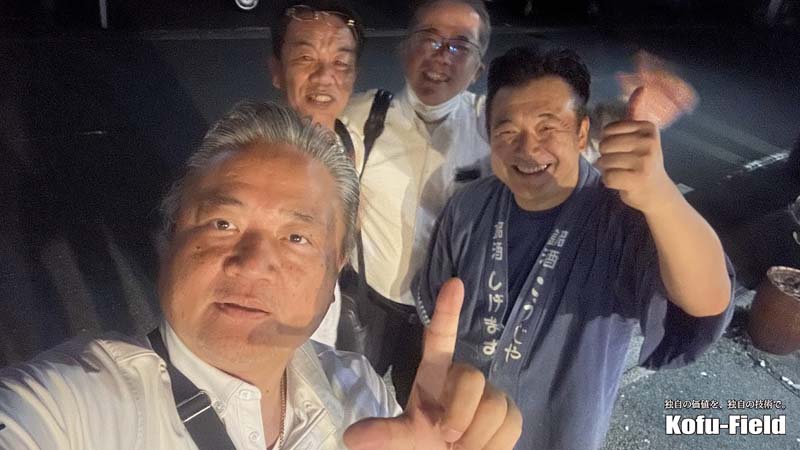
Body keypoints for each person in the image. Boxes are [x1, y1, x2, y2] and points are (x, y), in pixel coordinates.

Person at [0, 101, 522, 450]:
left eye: (296, 237)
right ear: (172, 236)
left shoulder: (359, 389)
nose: (251, 263)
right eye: (222, 224)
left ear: (336, 269)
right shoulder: (68, 410)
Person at [415, 46, 734, 450]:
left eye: (548, 128)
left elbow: (707, 301)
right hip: (459, 434)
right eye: (507, 131)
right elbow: (438, 319)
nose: (528, 149)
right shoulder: (467, 206)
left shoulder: (621, 218)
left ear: (582, 133)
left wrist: (662, 197)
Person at [340, 0, 491, 406]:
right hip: (368, 303)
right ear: (404, 48)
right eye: (429, 38)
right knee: (349, 406)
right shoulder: (360, 117)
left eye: (460, 45)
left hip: (444, 316)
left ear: (478, 69)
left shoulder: (493, 130)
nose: (442, 55)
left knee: (424, 414)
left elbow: (567, 149)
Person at [268, 0, 366, 347]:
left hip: (327, 317)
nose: (324, 77)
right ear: (276, 70)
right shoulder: (251, 159)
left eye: (341, 62)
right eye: (305, 58)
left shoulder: (350, 143)